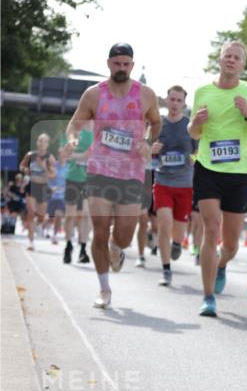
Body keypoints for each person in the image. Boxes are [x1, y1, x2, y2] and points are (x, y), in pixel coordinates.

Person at [66, 43, 161, 308]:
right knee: (98, 229)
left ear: (132, 65)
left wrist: (147, 141)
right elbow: (74, 125)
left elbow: (156, 122)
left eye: (126, 64)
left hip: (131, 173)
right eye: (117, 63)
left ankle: (116, 246)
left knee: (124, 235)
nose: (121, 68)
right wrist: (73, 141)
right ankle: (104, 289)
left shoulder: (146, 95)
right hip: (99, 170)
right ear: (109, 63)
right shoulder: (94, 94)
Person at [188, 41, 247, 317]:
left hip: (240, 173)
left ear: (243, 64)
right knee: (211, 229)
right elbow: (194, 134)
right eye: (227, 56)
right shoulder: (203, 91)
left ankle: (222, 264)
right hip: (208, 168)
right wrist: (196, 123)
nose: (231, 61)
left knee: (231, 243)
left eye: (236, 57)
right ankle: (208, 296)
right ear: (219, 60)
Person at [152, 85, 196, 287]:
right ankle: (166, 268)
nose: (175, 103)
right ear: (166, 100)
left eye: (179, 100)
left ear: (184, 103)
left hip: (185, 183)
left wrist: (194, 158)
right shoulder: (157, 125)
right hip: (162, 181)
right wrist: (151, 149)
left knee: (178, 229)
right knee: (164, 223)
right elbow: (144, 152)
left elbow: (199, 150)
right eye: (172, 99)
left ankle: (177, 243)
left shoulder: (190, 126)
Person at [63, 122, 93, 264]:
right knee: (70, 216)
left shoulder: (100, 129)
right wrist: (83, 155)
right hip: (73, 178)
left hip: (89, 179)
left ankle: (83, 249)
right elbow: (65, 155)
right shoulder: (74, 129)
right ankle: (68, 245)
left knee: (86, 215)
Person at [20, 133, 56, 250]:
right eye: (40, 141)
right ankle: (31, 242)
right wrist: (26, 169)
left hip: (43, 187)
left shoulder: (50, 158)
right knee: (31, 213)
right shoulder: (30, 155)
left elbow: (53, 175)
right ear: (37, 142)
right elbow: (21, 166)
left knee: (41, 216)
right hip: (31, 186)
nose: (42, 143)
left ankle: (38, 224)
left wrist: (43, 166)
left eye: (44, 141)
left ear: (47, 144)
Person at [45, 147, 68, 244]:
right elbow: (47, 178)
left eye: (65, 154)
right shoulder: (54, 166)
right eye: (61, 154)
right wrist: (50, 187)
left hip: (62, 197)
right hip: (52, 195)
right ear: (59, 155)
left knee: (58, 215)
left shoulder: (69, 168)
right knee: (50, 217)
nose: (63, 155)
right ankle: (46, 227)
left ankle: (54, 235)